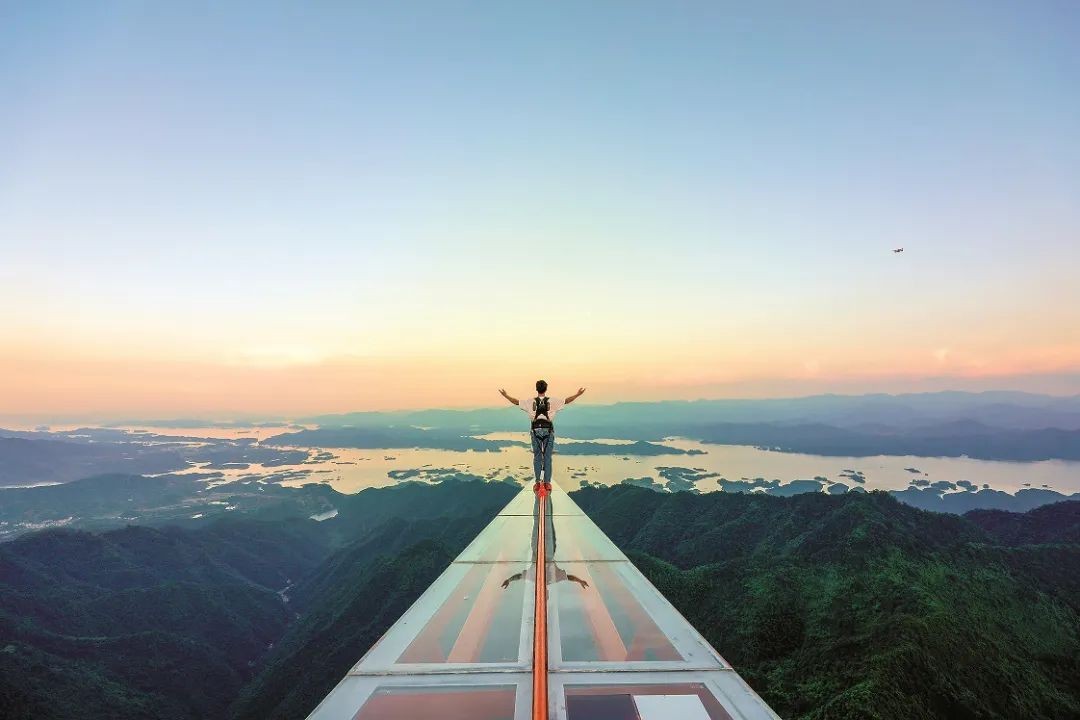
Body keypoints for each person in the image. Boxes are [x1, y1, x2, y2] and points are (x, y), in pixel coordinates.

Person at [498, 380, 585, 491]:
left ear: (536, 389)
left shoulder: (530, 402)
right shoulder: (553, 401)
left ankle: (538, 483)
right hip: (548, 431)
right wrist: (578, 394)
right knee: (547, 457)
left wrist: (505, 395)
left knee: (537, 457)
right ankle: (547, 483)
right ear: (546, 389)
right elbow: (567, 401)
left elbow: (515, 402)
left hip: (535, 431)